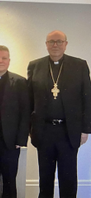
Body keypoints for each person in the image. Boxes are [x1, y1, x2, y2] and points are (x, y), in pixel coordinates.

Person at [27, 30, 91, 198]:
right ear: (46, 44)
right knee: (45, 179)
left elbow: (87, 98)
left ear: (66, 44)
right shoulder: (35, 65)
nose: (55, 45)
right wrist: (30, 128)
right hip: (44, 130)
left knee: (68, 179)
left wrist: (86, 129)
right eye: (51, 41)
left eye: (59, 41)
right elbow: (29, 100)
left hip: (69, 131)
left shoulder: (79, 65)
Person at [0, 45, 30, 198]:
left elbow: (25, 112)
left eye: (4, 58)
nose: (0, 61)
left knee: (9, 181)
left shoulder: (20, 82)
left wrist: (21, 139)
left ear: (9, 61)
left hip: (10, 142)